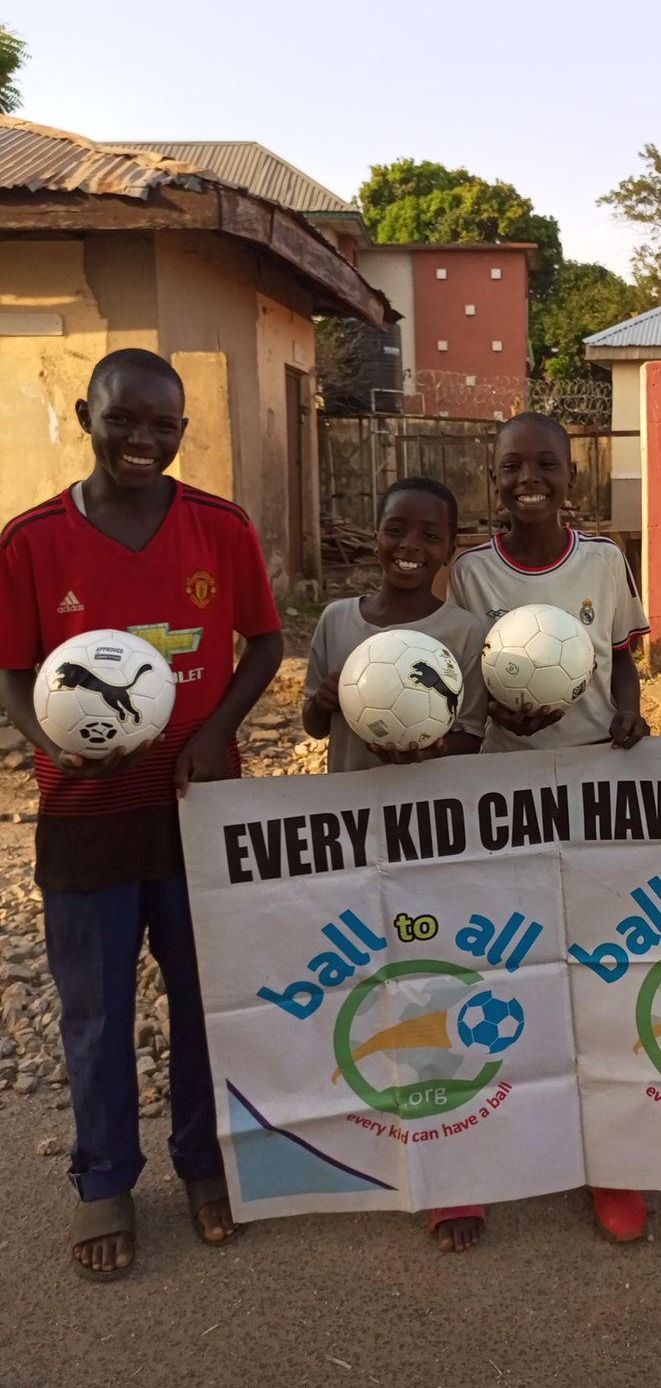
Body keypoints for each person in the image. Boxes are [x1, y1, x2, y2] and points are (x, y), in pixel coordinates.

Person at [0, 349, 283, 1280]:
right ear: (88, 415)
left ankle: (205, 1163)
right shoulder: (31, 540)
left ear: (182, 431)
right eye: (123, 418)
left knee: (208, 1000)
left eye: (164, 425)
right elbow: (11, 669)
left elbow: (264, 642)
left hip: (200, 808)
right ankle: (103, 1180)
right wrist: (50, 738)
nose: (142, 439)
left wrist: (218, 731)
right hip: (88, 812)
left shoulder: (219, 527)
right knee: (96, 1008)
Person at [448, 410, 651, 1243]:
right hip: (503, 797)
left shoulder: (603, 561)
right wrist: (499, 716)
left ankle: (611, 1159)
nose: (528, 479)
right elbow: (459, 675)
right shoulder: (471, 573)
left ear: (573, 475)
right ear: (493, 476)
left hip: (595, 793)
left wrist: (630, 712)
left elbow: (624, 658)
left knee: (597, 975)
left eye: (545, 465)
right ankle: (472, 1156)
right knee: (494, 970)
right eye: (511, 466)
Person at [303, 475, 487, 1252]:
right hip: (353, 839)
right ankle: (368, 1149)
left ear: (450, 549)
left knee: (431, 993)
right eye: (395, 530)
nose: (409, 547)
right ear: (373, 534)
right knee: (361, 990)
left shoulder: (465, 634)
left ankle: (451, 1177)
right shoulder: (337, 622)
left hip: (430, 843)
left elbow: (472, 737)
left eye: (429, 536)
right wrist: (337, 699)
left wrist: (426, 742)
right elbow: (314, 722)